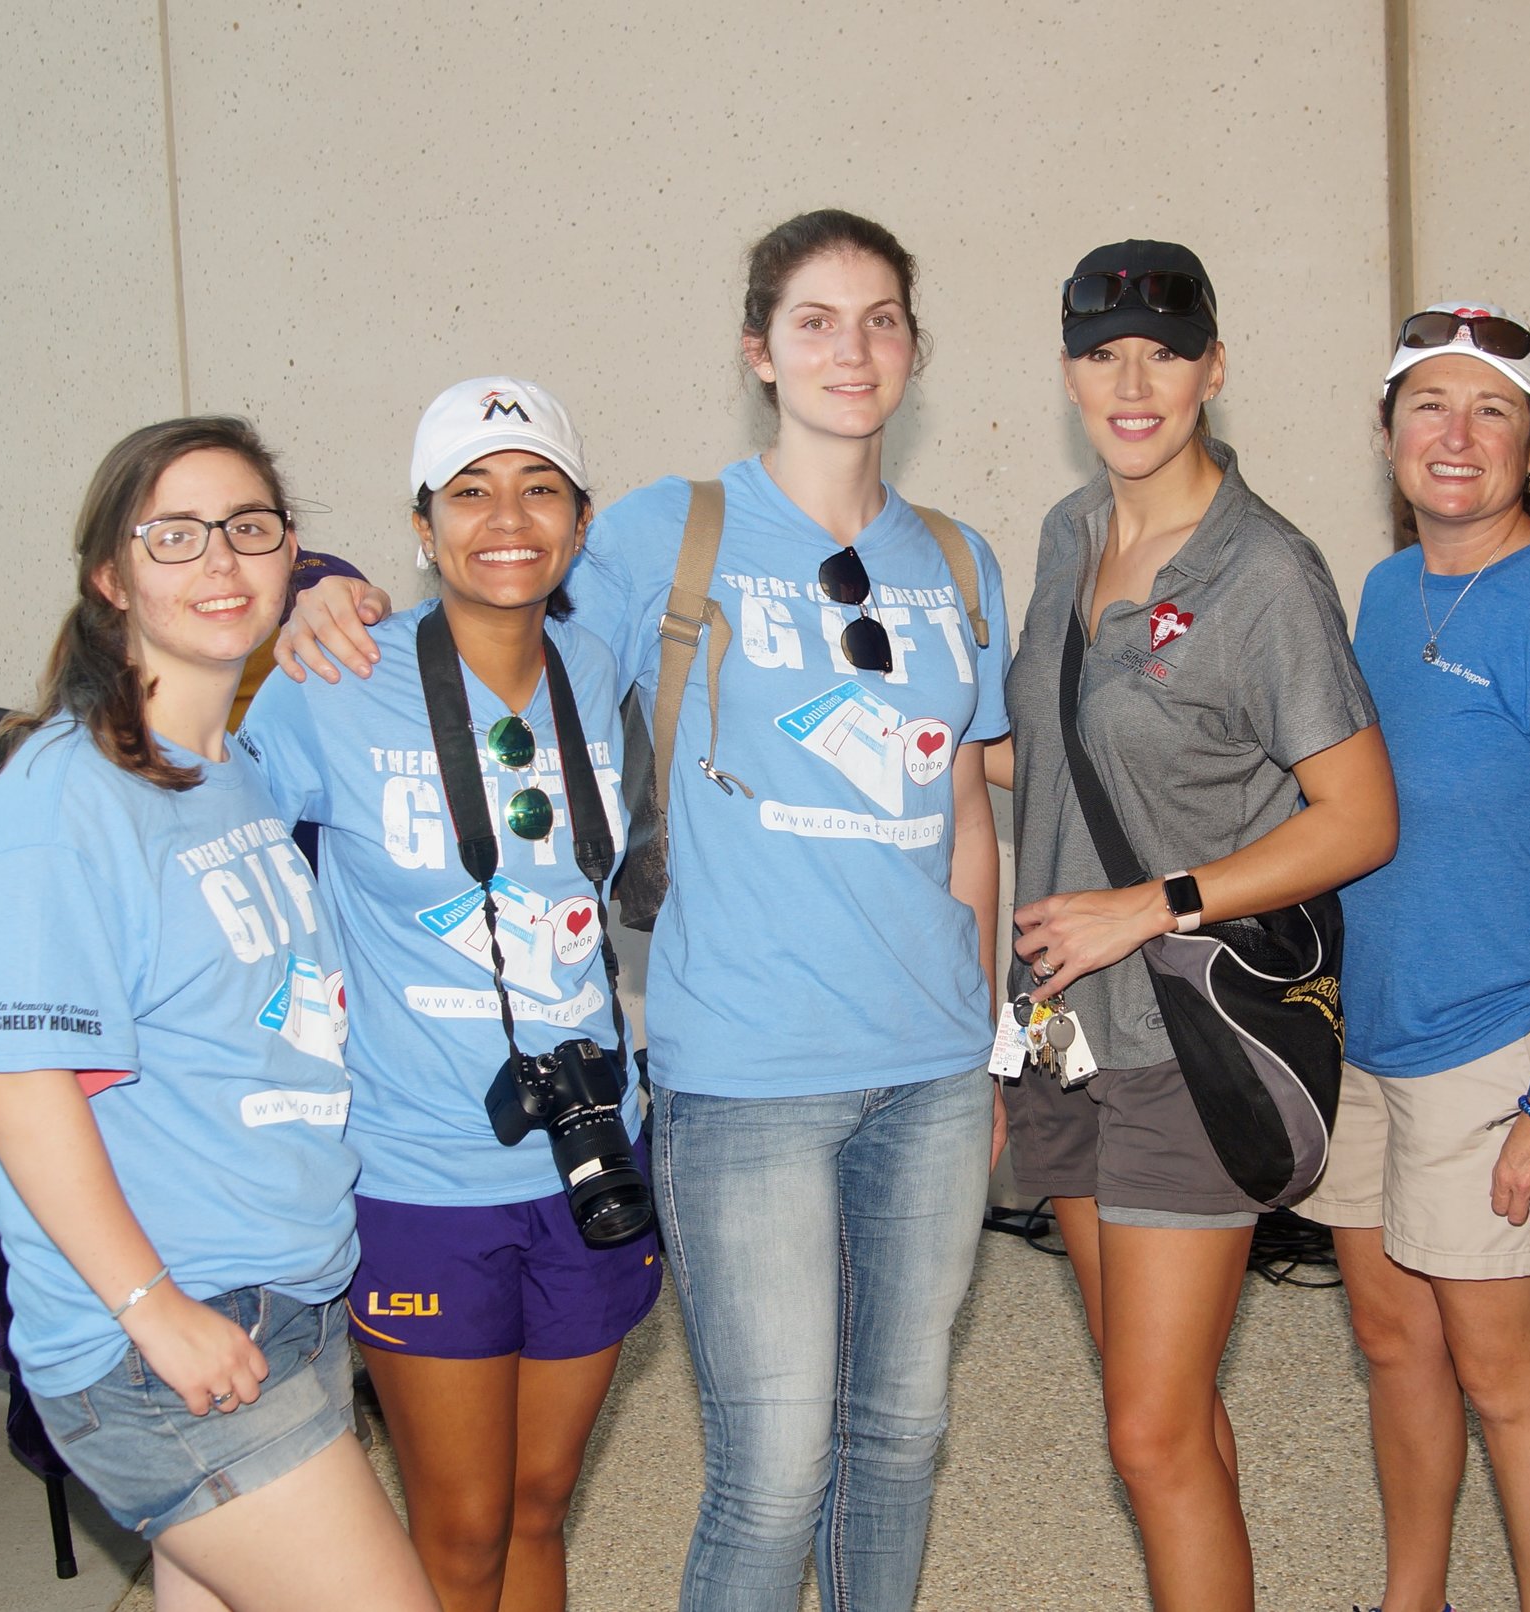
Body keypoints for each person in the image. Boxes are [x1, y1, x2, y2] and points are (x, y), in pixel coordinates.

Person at [275, 210, 1011, 1612]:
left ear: (915, 348)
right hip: (743, 1068)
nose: (849, 349)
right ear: (758, 350)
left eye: (879, 320)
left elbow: (966, 814)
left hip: (928, 1069)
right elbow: (492, 587)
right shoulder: (674, 534)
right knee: (775, 1466)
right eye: (813, 319)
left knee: (904, 1434)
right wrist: (319, 589)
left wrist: (983, 1039)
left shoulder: (964, 565)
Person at [0, 418, 438, 1612]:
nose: (219, 563)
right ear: (111, 577)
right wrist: (150, 1307)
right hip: (170, 1325)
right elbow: (19, 1084)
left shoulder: (234, 769)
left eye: (248, 530)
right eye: (175, 536)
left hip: (287, 1291)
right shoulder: (60, 802)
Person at [983, 240, 1396, 1612]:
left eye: (1164, 350)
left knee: (1148, 1433)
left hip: (1184, 1030)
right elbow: (1049, 759)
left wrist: (1145, 906)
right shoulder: (1064, 535)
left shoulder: (1263, 571)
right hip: (1063, 1035)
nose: (1134, 380)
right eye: (1104, 353)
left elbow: (1358, 818)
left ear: (1214, 369)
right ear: (1068, 378)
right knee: (1163, 1417)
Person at [238, 378, 660, 1612]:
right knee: (461, 1524)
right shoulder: (337, 679)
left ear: (580, 524)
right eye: (468, 492)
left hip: (591, 1157)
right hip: (419, 1170)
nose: (505, 518)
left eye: (538, 488)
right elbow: (203, 836)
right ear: (421, 530)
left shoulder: (600, 650)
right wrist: (304, 579)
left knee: (540, 1504)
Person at [1290, 303, 1530, 1612]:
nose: (1457, 436)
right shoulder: (1390, 592)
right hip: (1368, 1038)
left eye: (1491, 409)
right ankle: (1415, 1599)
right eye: (1429, 406)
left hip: (1501, 1048)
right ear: (1388, 430)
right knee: (1396, 1344)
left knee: (1504, 1377)